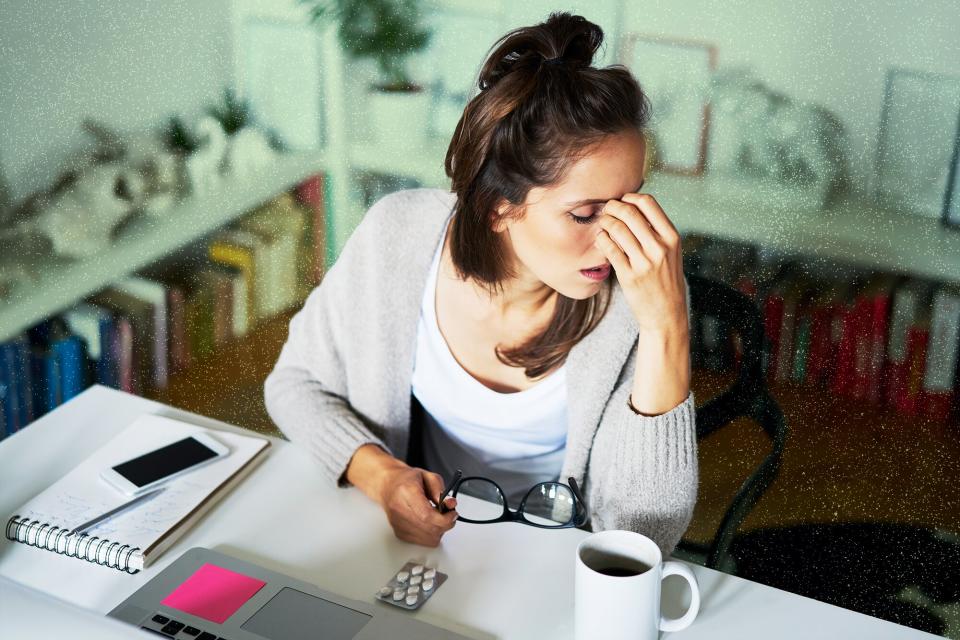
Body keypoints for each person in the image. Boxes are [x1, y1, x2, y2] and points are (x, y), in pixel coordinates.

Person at [264, 11, 697, 558]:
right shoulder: (396, 237)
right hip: (418, 549)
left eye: (630, 202)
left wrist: (667, 324)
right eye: (586, 215)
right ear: (498, 206)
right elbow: (294, 384)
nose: (617, 242)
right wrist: (384, 478)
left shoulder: (639, 296)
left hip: (555, 565)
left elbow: (641, 537)